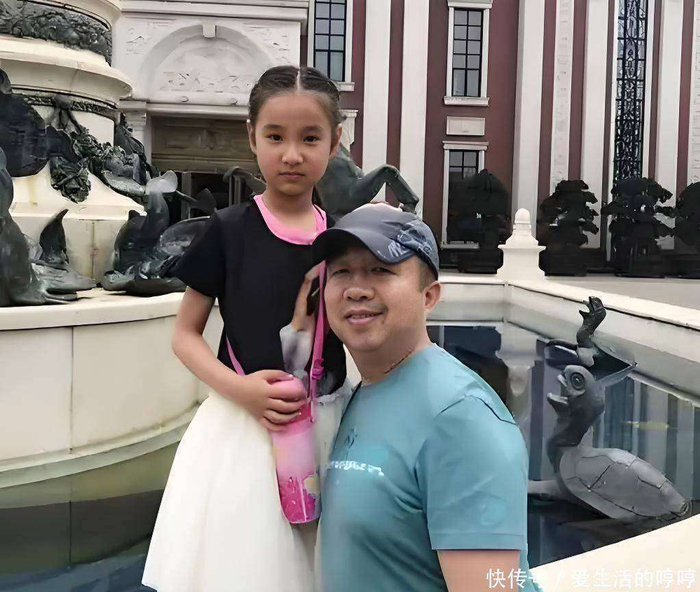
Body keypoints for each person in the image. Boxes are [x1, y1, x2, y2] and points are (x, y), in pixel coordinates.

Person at [142, 65, 348, 592]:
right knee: (249, 565)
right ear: (251, 136)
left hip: (328, 422)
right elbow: (185, 335)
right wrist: (241, 391)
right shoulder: (229, 230)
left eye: (310, 138)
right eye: (275, 137)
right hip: (242, 428)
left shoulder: (343, 238)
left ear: (335, 142)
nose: (292, 154)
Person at [311, 203, 541, 592]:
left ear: (429, 296)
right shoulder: (364, 390)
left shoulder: (461, 418)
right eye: (341, 272)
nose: (356, 289)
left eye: (380, 270)